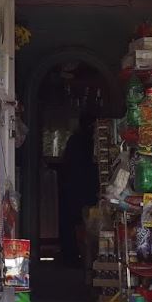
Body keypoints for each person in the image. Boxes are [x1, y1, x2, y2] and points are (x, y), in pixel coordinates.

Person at [59, 110, 100, 267]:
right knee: (84, 223)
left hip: (76, 187)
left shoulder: (75, 140)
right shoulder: (86, 142)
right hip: (85, 187)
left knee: (76, 222)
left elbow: (67, 164)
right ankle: (83, 258)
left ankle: (75, 256)